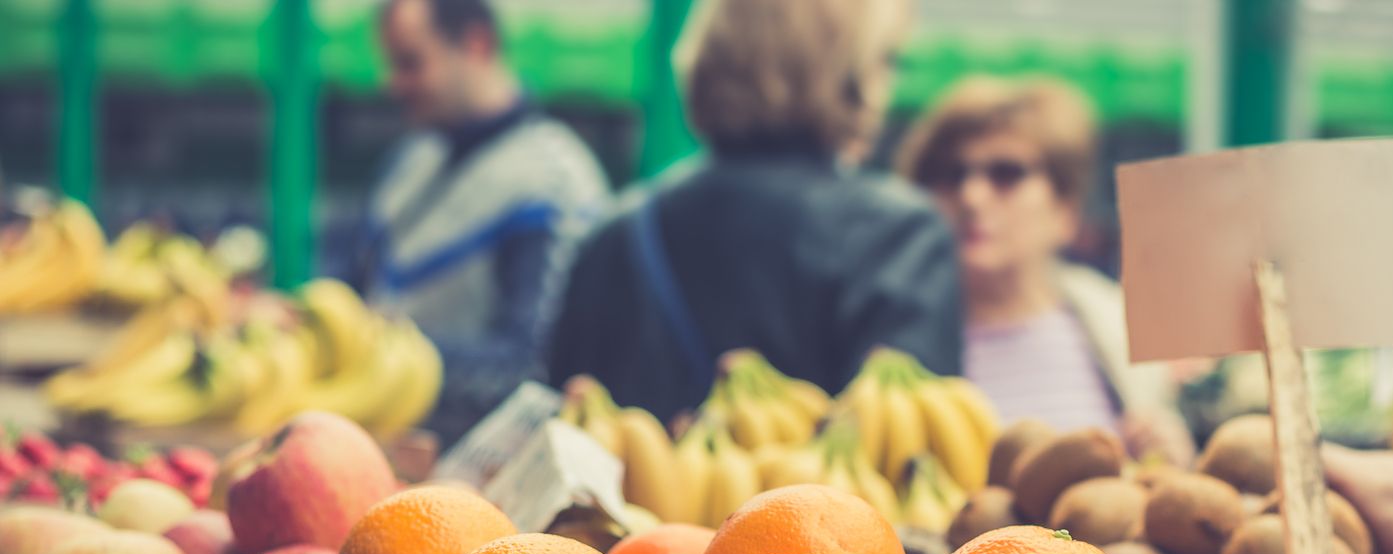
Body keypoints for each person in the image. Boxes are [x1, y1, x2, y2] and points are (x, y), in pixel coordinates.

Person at [546, 0, 963, 424]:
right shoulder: (898, 233)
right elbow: (914, 442)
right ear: (846, 73)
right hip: (813, 494)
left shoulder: (618, 231)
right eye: (887, 60)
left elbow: (567, 418)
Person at [350, 0, 610, 444]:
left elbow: (531, 366)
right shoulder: (411, 160)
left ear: (476, 44)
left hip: (478, 473)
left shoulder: (553, 180)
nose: (393, 84)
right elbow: (357, 284)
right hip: (378, 444)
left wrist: (376, 350)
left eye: (410, 63)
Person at [897, 76, 1193, 462]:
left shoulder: (1118, 322)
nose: (972, 197)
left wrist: (1175, 458)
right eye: (952, 175)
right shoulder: (892, 334)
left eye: (1006, 173)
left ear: (1064, 208)